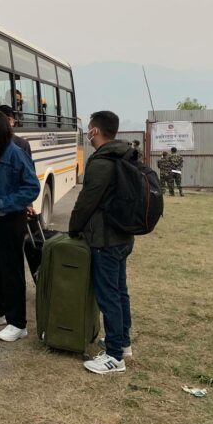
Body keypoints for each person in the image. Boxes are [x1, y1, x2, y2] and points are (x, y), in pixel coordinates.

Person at [69, 110, 135, 375]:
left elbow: (87, 201)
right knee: (119, 291)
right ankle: (123, 342)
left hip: (105, 239)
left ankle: (114, 357)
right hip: (123, 235)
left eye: (89, 128)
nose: (88, 132)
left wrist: (74, 227)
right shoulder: (125, 154)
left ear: (95, 131)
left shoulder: (101, 161)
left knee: (109, 297)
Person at [0, 113, 40, 342]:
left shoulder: (16, 153)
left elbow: (32, 187)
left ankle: (18, 323)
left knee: (11, 269)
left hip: (10, 217)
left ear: (2, 130)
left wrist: (5, 202)